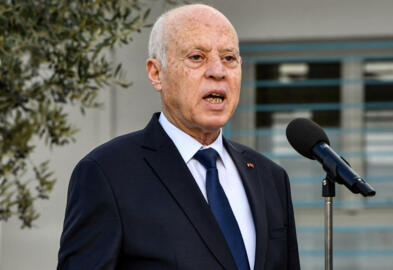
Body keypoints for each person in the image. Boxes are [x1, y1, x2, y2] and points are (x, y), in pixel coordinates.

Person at [57, 4, 300, 270]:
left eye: (229, 58)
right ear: (156, 73)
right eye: (197, 57)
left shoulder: (270, 178)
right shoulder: (107, 174)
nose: (218, 71)